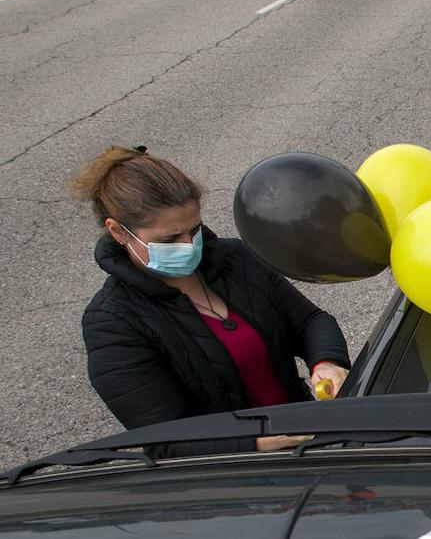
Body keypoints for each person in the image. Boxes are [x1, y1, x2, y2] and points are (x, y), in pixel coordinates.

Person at [73, 146, 351, 458]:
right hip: (232, 471)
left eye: (194, 230)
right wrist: (257, 441)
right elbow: (165, 438)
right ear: (118, 232)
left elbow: (309, 321)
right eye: (169, 240)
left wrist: (326, 362)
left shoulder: (237, 259)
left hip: (307, 439)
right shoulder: (113, 323)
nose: (189, 246)